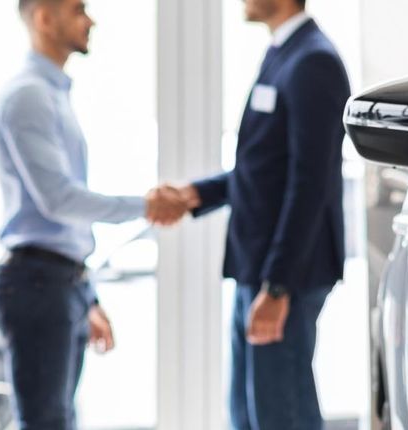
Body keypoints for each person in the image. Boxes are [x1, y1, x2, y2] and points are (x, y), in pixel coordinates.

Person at [149, 0, 351, 428]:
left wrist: (277, 286)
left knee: (280, 415)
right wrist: (193, 195)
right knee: (248, 414)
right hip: (258, 269)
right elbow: (262, 168)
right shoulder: (283, 52)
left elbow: (309, 184)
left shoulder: (314, 61)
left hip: (284, 277)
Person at [0, 0, 191, 428]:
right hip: (38, 283)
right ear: (44, 18)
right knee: (47, 422)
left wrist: (87, 295)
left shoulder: (51, 94)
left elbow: (62, 221)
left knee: (59, 419)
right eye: (78, 9)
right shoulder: (28, 96)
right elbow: (59, 200)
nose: (91, 20)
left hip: (58, 281)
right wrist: (146, 206)